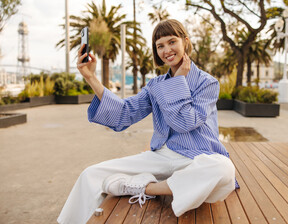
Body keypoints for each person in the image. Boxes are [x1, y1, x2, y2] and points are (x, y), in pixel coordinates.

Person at [57, 19, 238, 224]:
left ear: (185, 42)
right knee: (91, 174)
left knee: (224, 169)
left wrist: (178, 81)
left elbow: (186, 122)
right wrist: (90, 77)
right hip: (162, 155)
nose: (166, 50)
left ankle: (144, 187)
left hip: (199, 156)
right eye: (160, 46)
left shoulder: (207, 83)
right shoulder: (155, 85)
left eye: (172, 42)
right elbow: (124, 113)